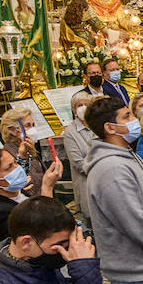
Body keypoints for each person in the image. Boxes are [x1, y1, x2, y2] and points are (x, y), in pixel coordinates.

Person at [82, 95, 143, 284]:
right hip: (135, 273)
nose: (135, 118)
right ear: (110, 127)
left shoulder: (125, 155)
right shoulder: (112, 169)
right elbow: (135, 223)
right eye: (127, 116)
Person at [0, 147, 62, 245]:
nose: (18, 168)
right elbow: (41, 234)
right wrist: (47, 187)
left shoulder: (18, 192)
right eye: (9, 167)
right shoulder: (0, 213)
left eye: (15, 162)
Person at [63, 90, 98, 222]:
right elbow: (78, 163)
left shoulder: (97, 125)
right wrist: (101, 168)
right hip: (86, 184)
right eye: (79, 105)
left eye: (86, 104)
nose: (83, 107)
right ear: (73, 110)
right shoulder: (70, 132)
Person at [0, 107, 45, 199]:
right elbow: (30, 186)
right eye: (27, 125)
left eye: (33, 125)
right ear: (12, 130)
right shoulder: (9, 155)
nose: (33, 130)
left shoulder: (29, 148)